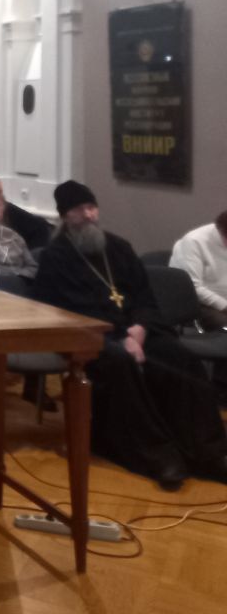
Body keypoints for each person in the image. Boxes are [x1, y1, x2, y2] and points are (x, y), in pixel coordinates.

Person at [32, 181, 227, 490]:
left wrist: (139, 328)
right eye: (80, 210)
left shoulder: (118, 247)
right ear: (65, 216)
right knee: (121, 362)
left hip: (136, 329)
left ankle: (208, 451)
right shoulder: (55, 258)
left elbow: (144, 296)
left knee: (181, 358)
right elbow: (64, 310)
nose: (89, 215)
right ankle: (158, 455)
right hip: (90, 337)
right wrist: (121, 337)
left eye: (92, 207)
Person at [169, 212, 227, 330]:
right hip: (202, 303)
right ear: (221, 232)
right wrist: (225, 305)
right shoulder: (193, 242)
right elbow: (193, 288)